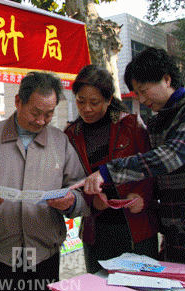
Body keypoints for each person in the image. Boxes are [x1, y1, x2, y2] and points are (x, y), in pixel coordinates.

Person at [80, 47, 185, 291]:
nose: (142, 100)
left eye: (144, 91)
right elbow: (156, 178)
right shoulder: (157, 122)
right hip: (175, 235)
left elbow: (171, 157)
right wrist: (143, 198)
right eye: (137, 94)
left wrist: (108, 172)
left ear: (167, 79)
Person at [0, 71, 86, 291]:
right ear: (18, 101)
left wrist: (71, 201)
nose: (41, 121)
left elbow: (80, 188)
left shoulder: (60, 141)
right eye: (35, 112)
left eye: (49, 114)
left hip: (45, 250)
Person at [64, 65, 159, 274]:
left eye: (95, 102)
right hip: (97, 231)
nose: (87, 108)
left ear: (108, 100)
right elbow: (70, 182)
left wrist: (142, 196)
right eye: (81, 101)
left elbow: (153, 167)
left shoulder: (131, 125)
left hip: (136, 226)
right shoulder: (71, 134)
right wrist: (92, 202)